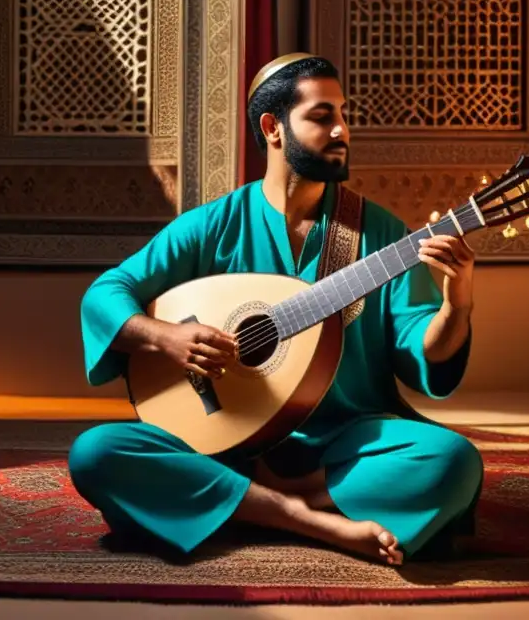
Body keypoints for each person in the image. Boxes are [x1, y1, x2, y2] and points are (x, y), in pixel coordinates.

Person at [68, 53, 483, 566]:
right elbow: (108, 292)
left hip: (343, 444)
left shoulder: (381, 235)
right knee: (96, 453)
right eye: (321, 115)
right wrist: (164, 336)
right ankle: (304, 517)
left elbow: (421, 348)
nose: (341, 130)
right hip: (221, 442)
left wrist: (457, 304)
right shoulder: (214, 225)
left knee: (451, 462)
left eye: (343, 113)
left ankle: (246, 506)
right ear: (273, 128)